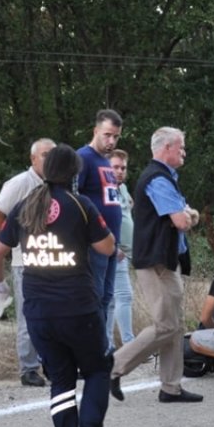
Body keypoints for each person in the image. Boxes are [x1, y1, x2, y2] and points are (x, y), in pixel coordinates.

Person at [0, 144, 118, 427]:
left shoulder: (25, 206)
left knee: (60, 380)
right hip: (78, 306)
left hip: (39, 311)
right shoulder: (81, 204)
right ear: (74, 173)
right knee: (98, 368)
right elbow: (107, 246)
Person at [110, 127, 203, 404]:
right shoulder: (158, 179)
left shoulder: (165, 178)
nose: (184, 152)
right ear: (166, 148)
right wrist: (188, 214)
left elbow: (186, 215)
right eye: (181, 147)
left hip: (165, 260)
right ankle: (114, 366)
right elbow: (182, 221)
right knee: (166, 325)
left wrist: (187, 214)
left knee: (174, 324)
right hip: (157, 262)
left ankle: (171, 387)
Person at [0, 138, 54, 387]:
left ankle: (51, 363)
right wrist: (12, 238)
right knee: (30, 316)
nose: (50, 159)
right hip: (25, 260)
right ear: (33, 159)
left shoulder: (56, 185)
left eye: (53, 155)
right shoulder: (20, 183)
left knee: (52, 316)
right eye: (45, 155)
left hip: (52, 258)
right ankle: (28, 368)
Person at [74, 109, 124, 348]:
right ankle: (88, 351)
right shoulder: (82, 158)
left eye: (115, 136)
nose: (111, 141)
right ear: (95, 131)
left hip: (111, 244)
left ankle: (100, 348)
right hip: (94, 243)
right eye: (107, 135)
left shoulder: (106, 161)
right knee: (92, 299)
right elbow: (73, 200)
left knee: (106, 297)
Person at [107, 149, 135, 347]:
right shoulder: (104, 190)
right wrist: (113, 246)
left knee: (120, 298)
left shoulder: (122, 188)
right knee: (115, 298)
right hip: (112, 251)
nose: (119, 171)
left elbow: (128, 207)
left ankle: (125, 343)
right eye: (115, 167)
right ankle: (113, 345)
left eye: (122, 168)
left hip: (125, 252)